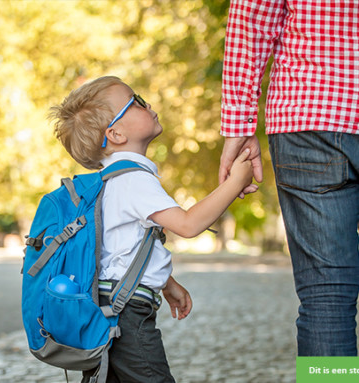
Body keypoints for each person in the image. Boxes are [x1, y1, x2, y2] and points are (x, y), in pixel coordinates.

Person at [50, 75, 255, 382]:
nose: (147, 105)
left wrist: (168, 285)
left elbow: (123, 251)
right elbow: (187, 224)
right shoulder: (133, 179)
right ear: (116, 133)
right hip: (126, 315)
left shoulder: (111, 181)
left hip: (108, 307)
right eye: (136, 102)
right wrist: (236, 181)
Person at [219, 0, 359, 356]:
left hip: (312, 110)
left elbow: (251, 18)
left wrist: (239, 123)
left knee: (325, 298)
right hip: (311, 119)